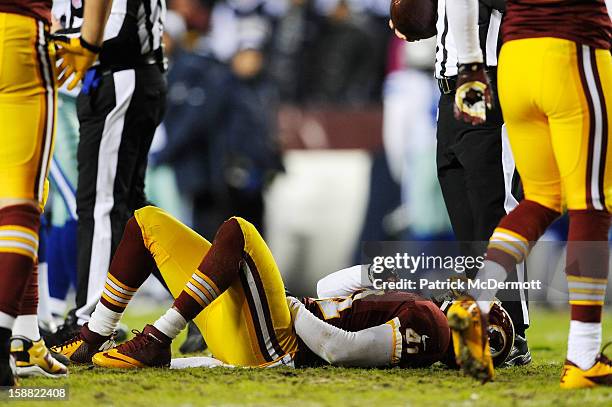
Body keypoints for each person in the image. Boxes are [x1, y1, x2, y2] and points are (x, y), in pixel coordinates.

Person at [51, 206, 450, 369]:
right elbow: (329, 285)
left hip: (279, 347)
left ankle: (159, 336)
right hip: (252, 330)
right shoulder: (417, 300)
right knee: (146, 222)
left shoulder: (431, 323)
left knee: (239, 231)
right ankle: (92, 337)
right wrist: (382, 278)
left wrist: (294, 311)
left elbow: (339, 349)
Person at [446, 0, 612, 388]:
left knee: (541, 198)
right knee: (592, 202)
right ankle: (583, 356)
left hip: (513, 58)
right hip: (574, 47)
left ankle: (477, 302)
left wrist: (470, 63)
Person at [391, 0, 531, 366]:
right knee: (463, 211)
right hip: (448, 88)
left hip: (487, 80)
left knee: (493, 212)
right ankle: (485, 321)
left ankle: (515, 329)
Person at [0, 0, 113, 385]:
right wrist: (91, 42)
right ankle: (5, 341)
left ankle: (27, 336)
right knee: (21, 201)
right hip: (17, 34)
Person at [50, 0, 167, 337]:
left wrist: (49, 40)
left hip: (121, 76)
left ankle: (90, 320)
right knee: (133, 212)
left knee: (100, 204)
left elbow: (117, 33)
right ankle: (205, 292)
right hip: (119, 79)